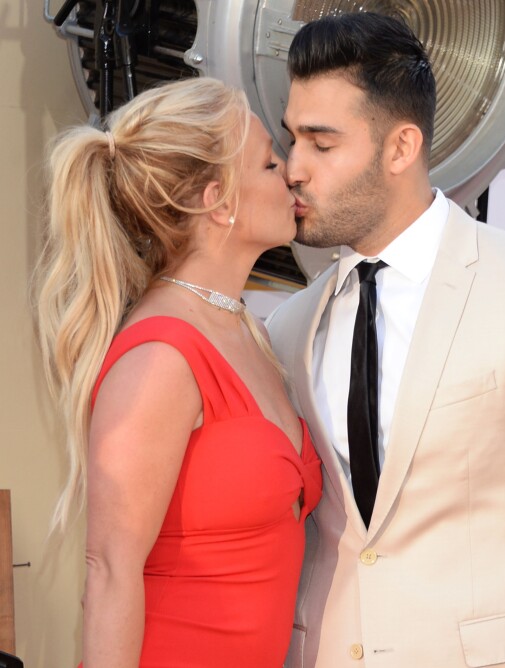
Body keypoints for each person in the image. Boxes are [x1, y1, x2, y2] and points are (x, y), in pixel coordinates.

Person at [266, 12, 505, 668]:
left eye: (321, 144)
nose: (293, 168)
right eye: (291, 138)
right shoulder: (288, 327)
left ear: (400, 148)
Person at [34, 76, 322, 668]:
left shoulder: (250, 332)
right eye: (269, 162)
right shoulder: (160, 358)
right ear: (213, 200)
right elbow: (109, 570)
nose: (291, 173)